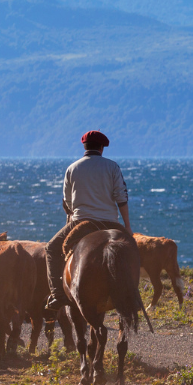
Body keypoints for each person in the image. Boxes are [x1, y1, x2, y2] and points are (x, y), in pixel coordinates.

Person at [45, 130, 132, 311]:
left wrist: (69, 221)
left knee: (51, 249)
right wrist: (127, 226)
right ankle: (132, 293)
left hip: (80, 221)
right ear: (101, 148)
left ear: (84, 146)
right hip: (110, 222)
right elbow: (121, 197)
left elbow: (67, 202)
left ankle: (57, 296)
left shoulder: (72, 168)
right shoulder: (112, 167)